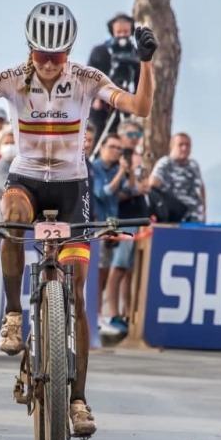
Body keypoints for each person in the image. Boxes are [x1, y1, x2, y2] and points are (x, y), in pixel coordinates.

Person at [0, 1, 157, 436]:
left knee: (75, 295)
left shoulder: (87, 78)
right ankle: (14, 313)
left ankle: (77, 400)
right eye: (42, 55)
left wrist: (146, 62)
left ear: (70, 49)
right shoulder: (12, 78)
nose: (51, 64)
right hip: (27, 180)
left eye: (58, 56)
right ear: (30, 48)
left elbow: (142, 107)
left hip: (73, 188)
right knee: (12, 216)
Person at [92, 134, 137, 335]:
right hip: (98, 224)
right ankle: (96, 315)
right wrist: (120, 173)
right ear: (102, 148)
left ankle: (102, 316)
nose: (116, 151)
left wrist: (130, 172)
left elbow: (130, 189)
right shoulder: (96, 167)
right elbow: (104, 192)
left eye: (119, 148)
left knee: (107, 268)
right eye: (112, 147)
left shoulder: (116, 169)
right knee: (100, 273)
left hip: (113, 225)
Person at [87, 13, 141, 146]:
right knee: (97, 134)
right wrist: (95, 99)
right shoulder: (100, 51)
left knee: (125, 134)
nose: (122, 35)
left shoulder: (136, 54)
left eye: (126, 32)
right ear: (112, 32)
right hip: (101, 104)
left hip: (124, 101)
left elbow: (140, 81)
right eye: (119, 32)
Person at [149, 132, 206, 223]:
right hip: (176, 220)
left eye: (187, 145)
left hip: (196, 219)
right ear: (172, 146)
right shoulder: (165, 163)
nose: (184, 148)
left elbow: (201, 189)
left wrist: (204, 213)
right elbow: (152, 186)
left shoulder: (194, 165)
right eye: (180, 145)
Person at [0, 126, 17, 221]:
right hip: (4, 220)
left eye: (13, 143)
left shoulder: (21, 165)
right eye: (6, 143)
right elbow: (14, 190)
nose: (9, 147)